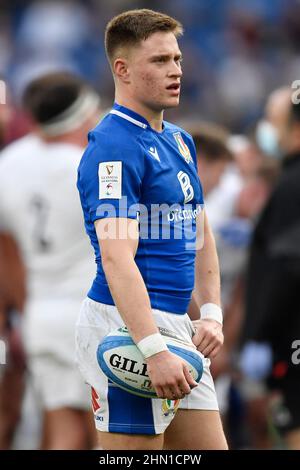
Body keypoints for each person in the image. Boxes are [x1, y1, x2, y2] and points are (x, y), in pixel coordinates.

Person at [76, 9, 227, 450]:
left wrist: (212, 313)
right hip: (128, 328)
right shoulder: (114, 146)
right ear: (121, 69)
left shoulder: (180, 139)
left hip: (178, 326)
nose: (176, 70)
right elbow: (117, 258)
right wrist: (152, 348)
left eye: (177, 58)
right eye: (159, 61)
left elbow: (199, 233)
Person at [0, 72, 101, 449]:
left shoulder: (7, 163)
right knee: (106, 432)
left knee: (61, 432)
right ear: (83, 114)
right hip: (95, 312)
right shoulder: (91, 165)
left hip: (41, 313)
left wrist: (27, 313)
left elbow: (7, 258)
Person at [242, 98, 300, 449]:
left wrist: (260, 334)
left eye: (274, 122)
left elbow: (288, 264)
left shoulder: (293, 185)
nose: (269, 131)